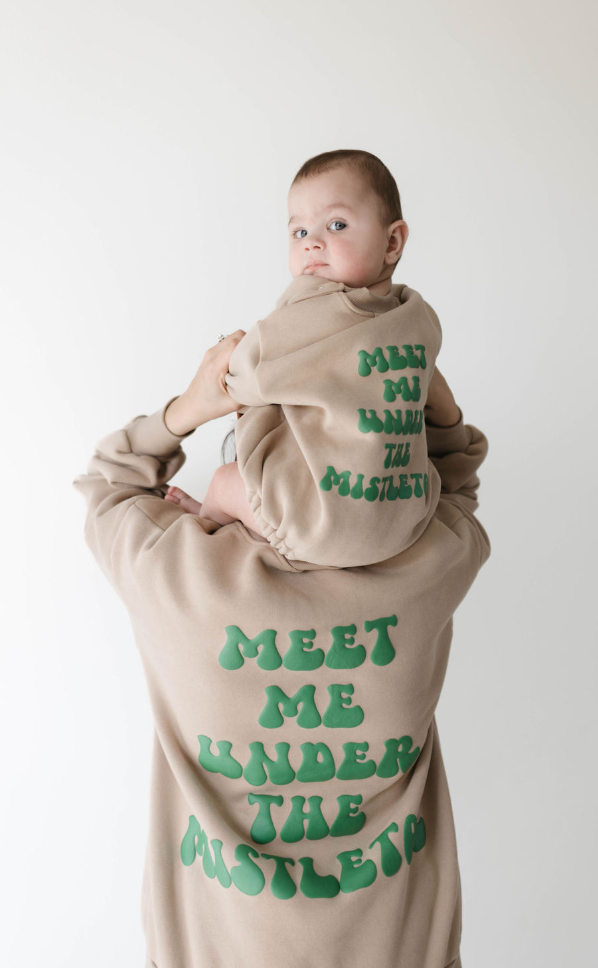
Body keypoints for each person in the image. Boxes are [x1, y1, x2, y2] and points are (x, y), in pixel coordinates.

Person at [72, 152, 491, 968]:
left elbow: (108, 482)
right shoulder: (429, 568)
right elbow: (459, 475)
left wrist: (193, 404)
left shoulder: (178, 580)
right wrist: (405, 378)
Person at [164, 151, 447, 568]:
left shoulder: (310, 310)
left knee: (225, 482)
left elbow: (248, 375)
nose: (312, 242)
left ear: (392, 242)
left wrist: (230, 355)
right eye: (298, 231)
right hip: (403, 520)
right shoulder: (418, 318)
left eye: (337, 225)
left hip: (322, 529)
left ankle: (214, 523)